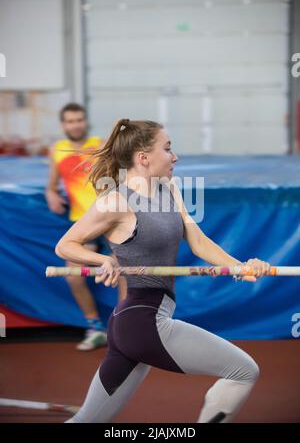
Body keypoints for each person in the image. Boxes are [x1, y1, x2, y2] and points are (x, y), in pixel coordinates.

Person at [55, 118, 270, 423]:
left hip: (134, 322)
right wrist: (103, 260)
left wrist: (239, 266)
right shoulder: (116, 202)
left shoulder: (168, 188)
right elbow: (65, 245)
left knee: (87, 421)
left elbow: (198, 241)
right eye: (168, 148)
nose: (175, 156)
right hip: (142, 321)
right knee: (244, 371)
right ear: (143, 158)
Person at [45, 103, 127, 351]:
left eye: (79, 120)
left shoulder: (100, 144)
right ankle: (95, 327)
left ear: (85, 122)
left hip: (110, 217)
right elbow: (51, 184)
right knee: (73, 275)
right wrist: (50, 193)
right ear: (63, 125)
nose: (75, 124)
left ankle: (123, 329)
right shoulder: (57, 150)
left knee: (125, 270)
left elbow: (121, 175)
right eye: (70, 121)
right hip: (82, 221)